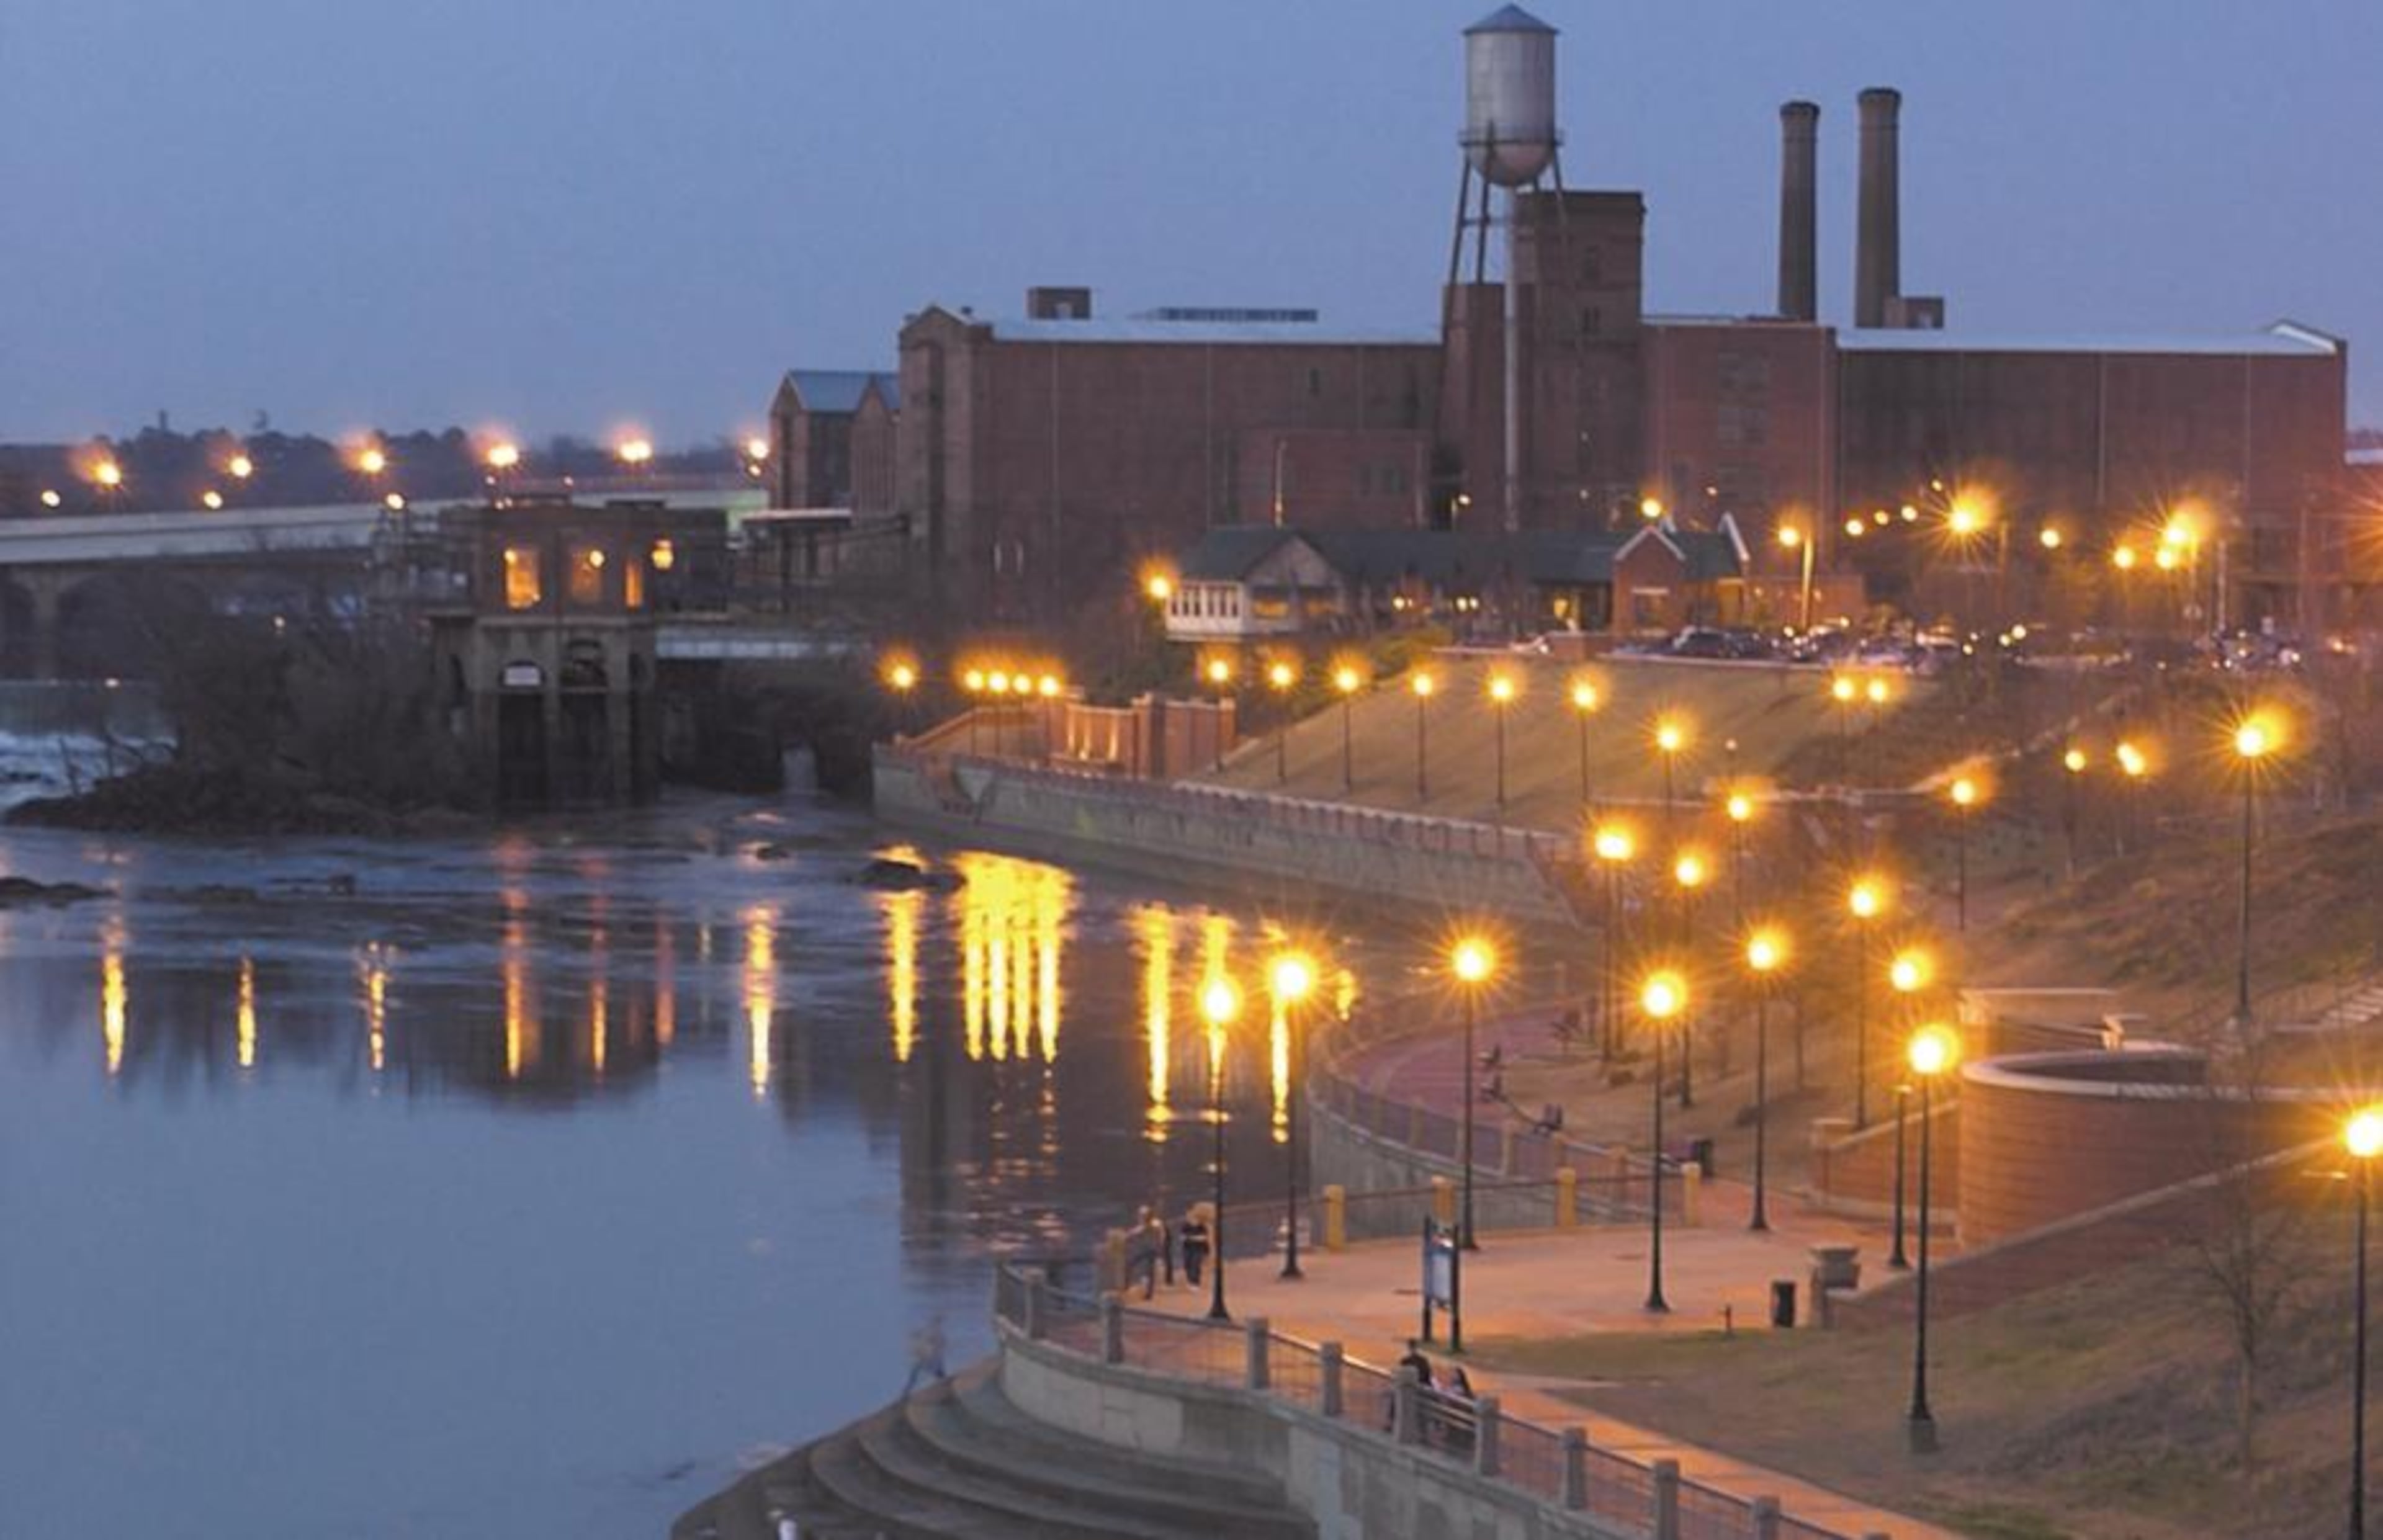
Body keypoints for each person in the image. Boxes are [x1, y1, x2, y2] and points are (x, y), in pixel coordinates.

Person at [902, 1314, 948, 1396]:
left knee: (937, 1370)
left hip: (931, 1357)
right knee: (916, 1372)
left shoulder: (934, 1333)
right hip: (925, 1358)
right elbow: (915, 1350)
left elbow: (941, 1342)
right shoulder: (925, 1336)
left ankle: (943, 1382)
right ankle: (907, 1390)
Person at [1178, 1206, 1210, 1287]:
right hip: (1187, 1249)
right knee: (1187, 1265)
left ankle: (1195, 1282)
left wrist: (1191, 1238)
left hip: (1198, 1249)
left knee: (1195, 1264)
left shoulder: (1201, 1226)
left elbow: (1203, 1238)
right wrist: (1191, 1238)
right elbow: (1182, 1237)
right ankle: (1190, 1281)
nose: (1189, 1216)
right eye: (1188, 1215)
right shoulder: (1185, 1226)